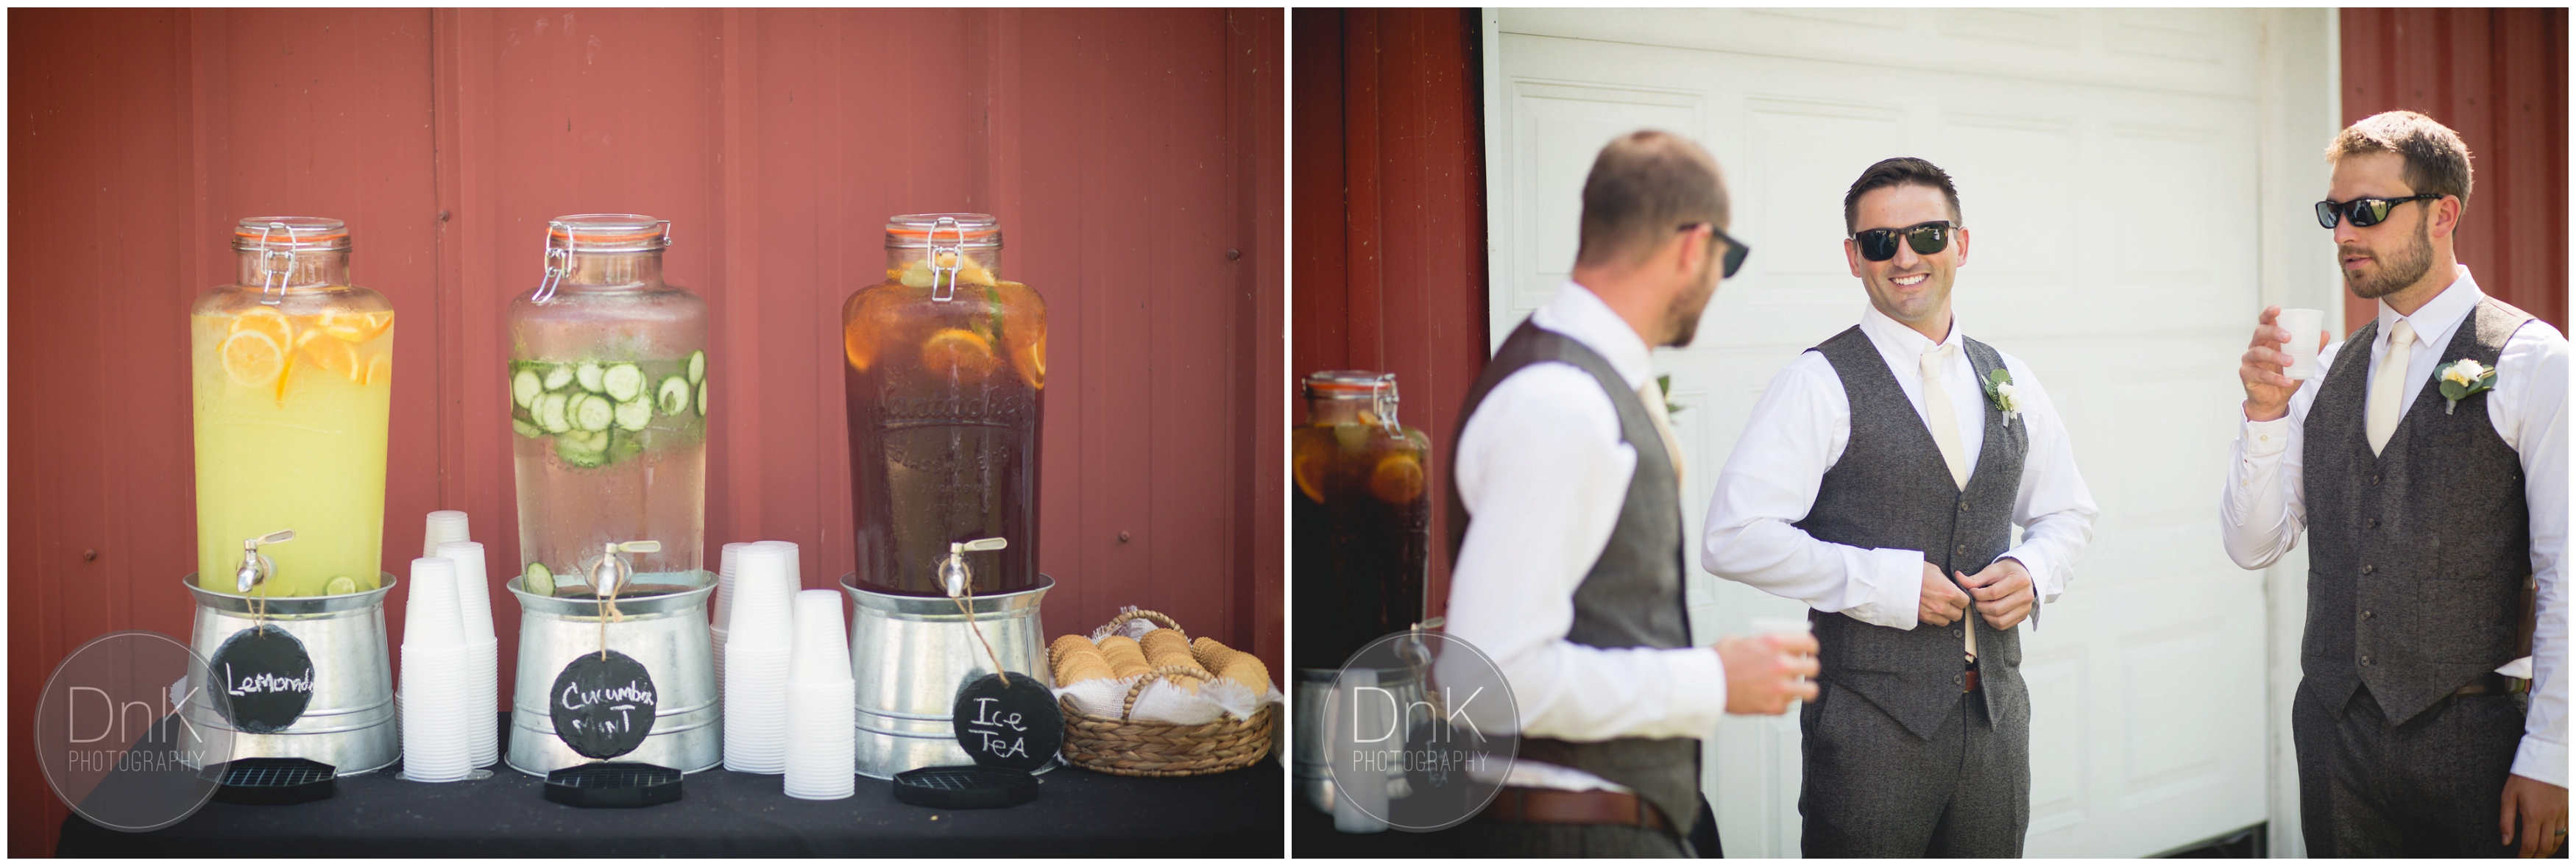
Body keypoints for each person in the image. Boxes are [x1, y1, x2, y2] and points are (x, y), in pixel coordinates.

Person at [1699, 157, 2098, 857]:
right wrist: (1885, 583)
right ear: (1855, 258)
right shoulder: (1818, 382)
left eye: (1927, 234)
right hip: (1867, 729)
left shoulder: (2006, 375)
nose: (1906, 256)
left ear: (1961, 244)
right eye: (1881, 241)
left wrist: (2033, 570)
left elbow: (2067, 511)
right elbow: (1733, 536)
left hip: (1997, 719)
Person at [1442, 129, 1819, 858]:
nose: (1718, 277)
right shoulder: (1560, 401)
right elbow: (1489, 679)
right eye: (1725, 259)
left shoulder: (1590, 379)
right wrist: (1711, 677)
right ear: (1692, 246)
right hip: (1566, 835)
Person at [2221, 110, 2566, 858]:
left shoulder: (2533, 360)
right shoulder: (2325, 371)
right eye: (2332, 212)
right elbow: (2252, 544)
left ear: (2441, 213)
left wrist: (2554, 754)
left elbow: (2566, 570)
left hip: (2476, 742)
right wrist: (2261, 415)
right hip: (2332, 740)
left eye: (2366, 211)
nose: (2343, 232)